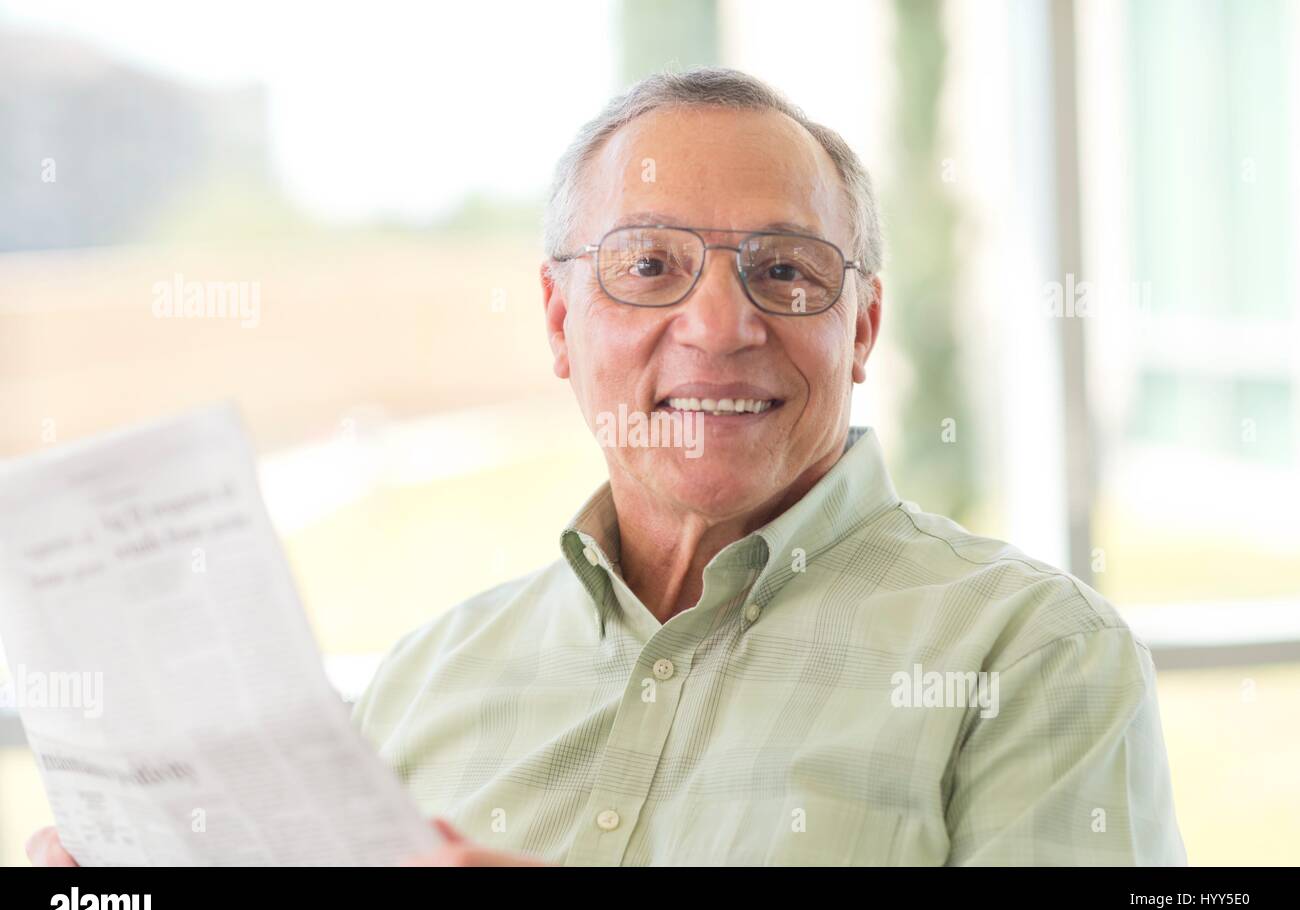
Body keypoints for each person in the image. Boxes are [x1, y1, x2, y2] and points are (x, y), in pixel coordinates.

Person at [29, 67, 1186, 867]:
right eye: (649, 266)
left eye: (786, 270)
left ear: (864, 330)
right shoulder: (423, 680)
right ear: (557, 321)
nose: (722, 323)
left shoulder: (1034, 655)